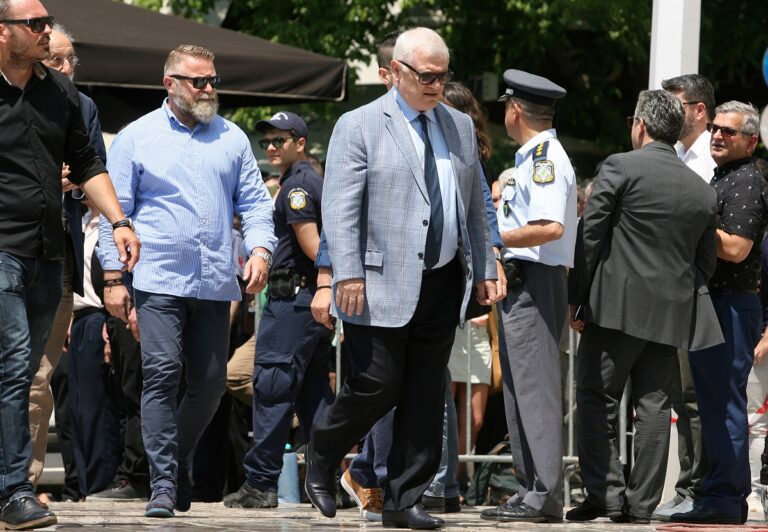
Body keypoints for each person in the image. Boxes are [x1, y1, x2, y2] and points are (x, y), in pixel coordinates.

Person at [305, 27, 496, 531]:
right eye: (426, 76)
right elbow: (340, 206)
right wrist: (344, 272)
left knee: (424, 393)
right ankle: (322, 449)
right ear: (397, 71)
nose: (436, 85)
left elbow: (474, 206)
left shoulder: (458, 125)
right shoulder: (360, 124)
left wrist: (485, 267)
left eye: (442, 76)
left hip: (443, 279)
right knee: (378, 383)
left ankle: (404, 499)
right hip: (376, 280)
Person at [97, 44, 275, 518]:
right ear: (170, 84)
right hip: (156, 278)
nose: (208, 89)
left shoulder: (232, 138)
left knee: (212, 384)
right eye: (199, 81)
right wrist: (113, 277)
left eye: (213, 80)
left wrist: (261, 250)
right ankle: (161, 483)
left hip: (215, 281)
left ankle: (171, 464)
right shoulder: (137, 137)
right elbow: (117, 212)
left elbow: (256, 205)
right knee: (161, 373)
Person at [0, 0, 140, 528]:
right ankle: (15, 490)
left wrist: (119, 221)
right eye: (33, 24)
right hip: (2, 251)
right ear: (3, 32)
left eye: (45, 22)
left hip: (49, 253)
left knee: (22, 374)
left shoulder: (60, 92)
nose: (45, 31)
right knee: (14, 365)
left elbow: (87, 163)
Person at [565, 89, 718, 524]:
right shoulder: (701, 190)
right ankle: (642, 503)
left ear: (641, 125)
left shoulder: (620, 167)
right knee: (654, 406)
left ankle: (607, 494)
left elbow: (590, 235)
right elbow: (705, 263)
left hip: (614, 307)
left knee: (596, 396)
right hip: (671, 313)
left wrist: (577, 297)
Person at [479, 69, 576, 524]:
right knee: (520, 391)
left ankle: (545, 494)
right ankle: (531, 488)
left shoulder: (545, 158)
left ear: (515, 110)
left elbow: (550, 226)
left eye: (506, 106)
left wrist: (495, 239)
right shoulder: (530, 157)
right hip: (523, 282)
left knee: (535, 391)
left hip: (536, 281)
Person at [224, 111, 335, 508]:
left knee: (272, 385)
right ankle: (328, 479)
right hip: (306, 301)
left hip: (294, 300)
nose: (271, 147)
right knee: (313, 395)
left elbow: (314, 246)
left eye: (279, 140)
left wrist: (327, 283)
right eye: (266, 141)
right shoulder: (305, 180)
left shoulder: (297, 186)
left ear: (300, 143)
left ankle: (260, 482)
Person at [671, 101, 768, 525]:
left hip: (729, 305)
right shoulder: (724, 177)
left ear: (751, 141)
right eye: (714, 127)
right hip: (717, 303)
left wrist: (688, 225)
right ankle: (719, 494)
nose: (717, 135)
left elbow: (736, 248)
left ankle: (725, 498)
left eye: (729, 131)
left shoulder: (746, 181)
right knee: (712, 404)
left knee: (724, 404)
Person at [28, 23, 108, 503]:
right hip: (11, 251)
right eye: (54, 59)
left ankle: (24, 482)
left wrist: (75, 183)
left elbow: (95, 172)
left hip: (59, 256)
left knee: (39, 376)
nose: (64, 67)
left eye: (69, 59)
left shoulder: (84, 107)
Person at [653, 73, 717, 520]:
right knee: (680, 396)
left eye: (676, 105)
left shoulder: (712, 158)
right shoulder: (673, 155)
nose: (669, 114)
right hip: (672, 292)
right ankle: (687, 485)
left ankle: (700, 487)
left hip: (704, 292)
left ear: (699, 110)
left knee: (696, 396)